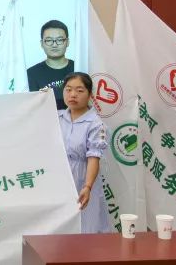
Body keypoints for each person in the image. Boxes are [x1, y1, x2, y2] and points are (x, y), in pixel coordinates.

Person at [58, 72, 110, 233]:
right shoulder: (57, 117)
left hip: (82, 178)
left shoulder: (95, 124)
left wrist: (87, 186)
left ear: (89, 95)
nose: (73, 94)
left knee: (87, 225)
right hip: (60, 177)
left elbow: (94, 157)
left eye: (79, 90)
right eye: (68, 89)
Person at [27, 20, 74, 110]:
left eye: (59, 40)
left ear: (67, 42)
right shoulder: (31, 74)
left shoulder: (79, 68)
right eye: (49, 40)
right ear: (42, 43)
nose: (54, 45)